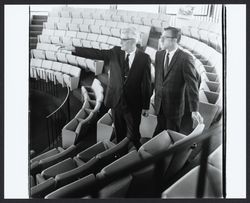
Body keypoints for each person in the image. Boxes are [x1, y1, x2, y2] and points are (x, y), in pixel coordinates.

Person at [59, 27, 152, 149]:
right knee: (119, 132)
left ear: (132, 41)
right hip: (116, 100)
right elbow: (97, 53)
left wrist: (145, 105)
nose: (120, 42)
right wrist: (75, 49)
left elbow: (146, 84)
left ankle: (137, 155)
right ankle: (120, 154)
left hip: (133, 103)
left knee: (134, 134)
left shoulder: (144, 58)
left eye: (123, 40)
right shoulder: (115, 52)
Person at [153, 26, 203, 136]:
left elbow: (192, 85)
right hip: (159, 104)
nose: (161, 39)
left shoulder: (185, 58)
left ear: (174, 40)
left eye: (164, 37)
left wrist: (194, 109)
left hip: (174, 108)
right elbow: (158, 79)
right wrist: (154, 95)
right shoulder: (159, 54)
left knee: (171, 137)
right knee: (159, 134)